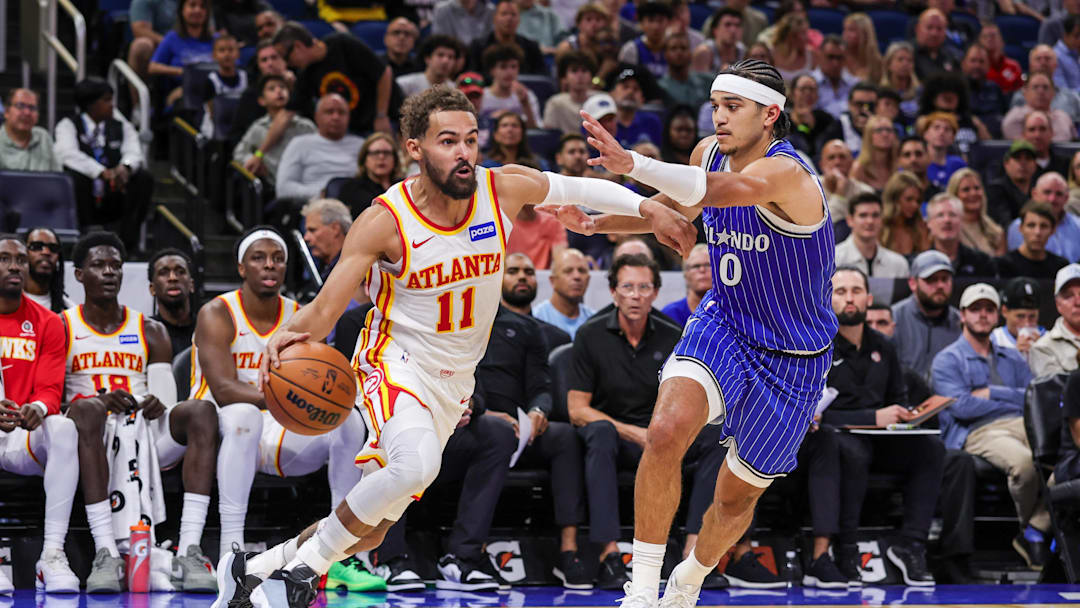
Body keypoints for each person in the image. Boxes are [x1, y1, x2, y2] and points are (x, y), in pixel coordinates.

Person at [212, 85, 692, 608]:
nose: (463, 152)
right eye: (447, 141)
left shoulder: (500, 189)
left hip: (456, 379)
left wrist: (649, 207)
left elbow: (580, 188)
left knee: (370, 527)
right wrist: (287, 334)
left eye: (470, 139)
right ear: (414, 147)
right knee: (416, 467)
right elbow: (325, 309)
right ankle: (297, 577)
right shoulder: (384, 221)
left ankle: (258, 567)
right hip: (394, 360)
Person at [549, 59, 838, 607]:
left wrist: (631, 161)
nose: (720, 118)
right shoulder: (706, 151)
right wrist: (598, 222)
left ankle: (691, 576)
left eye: (734, 107)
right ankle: (640, 589)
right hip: (725, 322)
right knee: (665, 431)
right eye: (716, 105)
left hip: (794, 356)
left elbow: (719, 190)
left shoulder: (788, 175)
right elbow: (673, 206)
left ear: (770, 114)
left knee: (733, 499)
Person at [191, 227, 372, 589]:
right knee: (243, 417)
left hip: (283, 430)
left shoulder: (301, 316)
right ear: (242, 267)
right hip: (226, 430)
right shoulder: (217, 312)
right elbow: (225, 390)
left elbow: (320, 384)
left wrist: (318, 402)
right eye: (259, 258)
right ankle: (232, 552)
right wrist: (286, 395)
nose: (269, 265)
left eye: (277, 259)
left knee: (349, 421)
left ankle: (342, 554)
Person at [62, 232, 220, 594]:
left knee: (200, 411)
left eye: (115, 266)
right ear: (79, 274)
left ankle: (190, 548)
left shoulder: (150, 329)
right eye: (98, 265)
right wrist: (100, 403)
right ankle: (105, 551)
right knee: (86, 412)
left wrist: (155, 401)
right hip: (88, 435)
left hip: (144, 437)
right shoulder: (63, 325)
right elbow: (54, 400)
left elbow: (164, 397)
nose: (109, 273)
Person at [568, 254, 717, 589]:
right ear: (613, 293)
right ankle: (609, 556)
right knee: (601, 434)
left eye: (644, 288)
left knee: (716, 438)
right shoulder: (590, 335)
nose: (635, 295)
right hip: (616, 437)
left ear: (655, 293)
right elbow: (577, 409)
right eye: (628, 287)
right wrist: (634, 432)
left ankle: (693, 561)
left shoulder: (674, 335)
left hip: (662, 436)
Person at [824, 266, 942, 587]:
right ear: (827, 298)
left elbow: (898, 400)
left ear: (869, 298)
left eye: (856, 291)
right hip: (833, 441)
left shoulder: (884, 346)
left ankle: (911, 546)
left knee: (931, 449)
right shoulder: (817, 346)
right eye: (841, 291)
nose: (850, 298)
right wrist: (871, 418)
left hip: (881, 441)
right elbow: (812, 415)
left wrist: (907, 417)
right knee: (852, 451)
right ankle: (846, 548)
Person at [931, 283, 1052, 570]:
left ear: (998, 315)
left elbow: (1032, 398)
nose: (983, 315)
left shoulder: (1012, 357)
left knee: (1068, 459)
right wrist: (1011, 397)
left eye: (988, 309)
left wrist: (991, 392)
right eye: (975, 309)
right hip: (977, 431)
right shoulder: (947, 359)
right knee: (1024, 464)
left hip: (1023, 425)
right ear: (962, 315)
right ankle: (1032, 533)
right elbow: (961, 407)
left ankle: (1036, 528)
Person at [475, 297, 590, 588]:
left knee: (564, 436)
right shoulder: (450, 325)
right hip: (474, 423)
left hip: (523, 429)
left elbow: (542, 385)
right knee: (491, 432)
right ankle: (472, 551)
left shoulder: (525, 328)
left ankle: (568, 551)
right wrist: (484, 413)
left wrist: (539, 410)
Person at [0, 235, 79, 594]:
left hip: (21, 435)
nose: (14, 266)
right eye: (4, 259)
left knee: (63, 427)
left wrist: (39, 407)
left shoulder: (48, 322)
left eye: (18, 260)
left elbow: (50, 388)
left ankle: (52, 555)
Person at [54, 78, 153, 250]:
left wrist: (125, 168)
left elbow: (134, 153)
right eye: (106, 100)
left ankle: (128, 244)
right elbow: (66, 154)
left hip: (114, 193)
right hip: (85, 196)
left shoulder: (122, 126)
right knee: (73, 177)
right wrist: (101, 172)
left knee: (143, 178)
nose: (112, 105)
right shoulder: (68, 125)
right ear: (91, 104)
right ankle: (78, 240)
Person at [271, 21, 395, 142]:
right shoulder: (306, 73)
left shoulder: (342, 43)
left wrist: (381, 115)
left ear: (298, 46)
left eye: (286, 57)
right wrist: (259, 154)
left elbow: (384, 73)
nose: (287, 64)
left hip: (376, 121)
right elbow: (286, 114)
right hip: (349, 131)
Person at [275, 94, 365, 201]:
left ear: (348, 117)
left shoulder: (362, 145)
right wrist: (324, 193)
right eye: (329, 112)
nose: (335, 117)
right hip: (313, 205)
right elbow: (283, 188)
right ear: (316, 116)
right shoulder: (299, 144)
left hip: (357, 205)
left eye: (341, 112)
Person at [892, 250, 962, 379]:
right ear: (912, 283)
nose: (940, 285)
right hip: (904, 396)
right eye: (931, 280)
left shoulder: (961, 323)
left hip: (949, 395)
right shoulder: (892, 319)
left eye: (945, 279)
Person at [233, 74, 316, 184]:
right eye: (272, 89)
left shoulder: (305, 125)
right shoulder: (258, 127)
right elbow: (239, 153)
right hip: (274, 185)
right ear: (262, 100)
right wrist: (253, 161)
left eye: (282, 87)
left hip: (308, 181)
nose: (279, 91)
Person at [148, 0, 214, 107]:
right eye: (192, 5)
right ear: (182, 11)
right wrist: (182, 71)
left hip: (216, 92)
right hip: (182, 91)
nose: (198, 10)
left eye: (202, 6)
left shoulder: (217, 40)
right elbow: (152, 67)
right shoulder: (172, 38)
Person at [1007, 172, 1080, 263]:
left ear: (1066, 198)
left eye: (1059, 194)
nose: (1052, 199)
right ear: (1034, 194)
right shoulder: (1017, 226)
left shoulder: (1078, 226)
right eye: (1047, 192)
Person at [835, 193, 910, 278]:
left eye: (875, 215)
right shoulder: (833, 261)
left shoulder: (898, 264)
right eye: (863, 215)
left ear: (882, 220)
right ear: (850, 220)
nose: (870, 221)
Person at [925, 193, 996, 278]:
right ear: (929, 223)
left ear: (962, 221)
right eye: (940, 215)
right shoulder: (921, 264)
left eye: (952, 214)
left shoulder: (983, 262)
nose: (947, 220)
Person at [467, 0, 545, 75]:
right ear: (494, 18)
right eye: (504, 14)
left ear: (519, 20)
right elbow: (472, 76)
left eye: (513, 14)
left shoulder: (531, 48)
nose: (509, 19)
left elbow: (542, 78)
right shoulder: (478, 46)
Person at [337, 133, 405, 217]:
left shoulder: (404, 186)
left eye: (386, 153)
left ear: (395, 159)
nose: (381, 157)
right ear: (364, 159)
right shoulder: (352, 188)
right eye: (375, 153)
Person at [996, 202, 1070, 279]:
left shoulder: (1061, 267)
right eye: (1031, 225)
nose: (1037, 232)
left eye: (1044, 226)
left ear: (1052, 230)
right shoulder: (1004, 264)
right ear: (1021, 228)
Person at [533, 248, 596, 337]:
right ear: (552, 281)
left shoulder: (594, 320)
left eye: (582, 271)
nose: (577, 276)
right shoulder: (536, 318)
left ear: (588, 279)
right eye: (568, 271)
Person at [1030, 264, 1080, 376]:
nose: (1078, 302)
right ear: (1058, 304)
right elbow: (1059, 392)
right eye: (1069, 296)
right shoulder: (1043, 348)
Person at [148, 247, 198, 356]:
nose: (173, 278)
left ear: (191, 285)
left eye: (180, 272)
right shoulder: (145, 332)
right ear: (152, 289)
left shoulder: (207, 328)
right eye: (163, 273)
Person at [480, 44, 542, 129]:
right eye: (503, 67)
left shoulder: (527, 96)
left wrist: (525, 104)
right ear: (492, 70)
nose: (509, 72)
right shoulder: (481, 96)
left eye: (514, 66)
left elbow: (535, 132)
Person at [198, 34, 248, 139]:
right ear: (214, 55)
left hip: (240, 122)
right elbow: (211, 110)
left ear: (238, 54)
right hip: (216, 125)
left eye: (231, 50)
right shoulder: (211, 80)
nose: (227, 54)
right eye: (222, 50)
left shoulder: (245, 76)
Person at [1002, 74, 1076, 142]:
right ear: (1025, 92)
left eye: (1045, 87)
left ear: (1053, 93)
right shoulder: (1014, 117)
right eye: (1035, 87)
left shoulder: (1063, 117)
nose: (1041, 91)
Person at [0, 89, 61, 172]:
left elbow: (57, 178)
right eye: (20, 106)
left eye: (32, 108)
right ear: (6, 112)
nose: (27, 112)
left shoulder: (43, 137)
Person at [947, 168, 1004, 257]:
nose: (973, 193)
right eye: (966, 189)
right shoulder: (947, 230)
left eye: (977, 188)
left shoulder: (996, 232)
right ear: (954, 195)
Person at [985, 139, 1038, 230]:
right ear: (1006, 163)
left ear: (1035, 165)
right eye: (1017, 158)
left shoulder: (1039, 189)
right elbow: (1005, 225)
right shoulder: (996, 190)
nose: (1023, 163)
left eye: (1028, 158)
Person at [127, 0, 180, 87]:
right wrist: (170, 45)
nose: (197, 9)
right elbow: (140, 30)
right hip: (161, 46)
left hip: (192, 44)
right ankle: (141, 99)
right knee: (141, 45)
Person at [819, 140, 873, 224]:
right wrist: (840, 192)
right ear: (822, 165)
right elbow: (824, 226)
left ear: (851, 163)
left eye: (842, 157)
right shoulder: (812, 188)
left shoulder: (865, 192)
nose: (837, 162)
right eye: (831, 158)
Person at [544, 52, 598, 135]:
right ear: (564, 78)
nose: (580, 76)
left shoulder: (600, 99)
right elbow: (550, 136)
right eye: (574, 71)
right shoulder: (555, 103)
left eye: (584, 71)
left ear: (591, 76)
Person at [609, 67, 663, 149]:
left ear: (642, 99)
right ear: (612, 93)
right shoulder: (602, 121)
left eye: (636, 89)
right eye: (625, 87)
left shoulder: (652, 122)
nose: (630, 92)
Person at [819, 83, 876, 159]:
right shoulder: (837, 127)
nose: (864, 110)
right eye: (859, 104)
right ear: (849, 104)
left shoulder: (885, 128)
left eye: (870, 105)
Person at [881, 171, 931, 256]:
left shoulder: (920, 227)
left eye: (918, 201)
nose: (915, 205)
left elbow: (925, 261)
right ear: (894, 199)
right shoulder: (880, 227)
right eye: (909, 199)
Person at [617, 1, 671, 79]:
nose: (656, 26)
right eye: (651, 20)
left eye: (660, 21)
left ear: (668, 23)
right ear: (641, 23)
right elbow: (624, 80)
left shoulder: (675, 47)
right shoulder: (630, 50)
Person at [961, 43, 1007, 136]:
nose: (977, 65)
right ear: (964, 64)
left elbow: (1005, 116)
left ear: (988, 65)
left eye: (981, 61)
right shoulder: (956, 90)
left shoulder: (995, 88)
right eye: (973, 61)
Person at [21, 228, 71, 313]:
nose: (46, 252)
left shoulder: (68, 311)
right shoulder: (7, 304)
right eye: (37, 246)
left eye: (53, 248)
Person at [659, 32, 713, 110]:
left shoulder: (707, 81)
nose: (679, 52)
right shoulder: (661, 87)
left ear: (690, 53)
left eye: (683, 48)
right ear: (665, 54)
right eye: (673, 48)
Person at [991, 277, 1044, 355]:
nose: (1027, 323)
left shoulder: (1050, 339)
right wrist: (1016, 355)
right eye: (1020, 316)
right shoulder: (993, 340)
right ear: (1004, 311)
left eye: (1032, 316)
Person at [397, 35, 462, 98]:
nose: (445, 61)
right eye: (440, 55)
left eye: (450, 57)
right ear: (427, 58)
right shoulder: (404, 84)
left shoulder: (455, 90)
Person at [302, 198, 351, 281]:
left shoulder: (354, 269)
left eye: (312, 230)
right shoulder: (327, 269)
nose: (306, 238)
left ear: (335, 229)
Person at [662, 244, 710, 326]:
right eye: (696, 266)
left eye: (708, 265)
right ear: (685, 273)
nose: (702, 270)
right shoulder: (670, 314)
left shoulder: (729, 312)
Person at [918, 112, 966, 191]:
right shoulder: (916, 162)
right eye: (936, 127)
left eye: (947, 129)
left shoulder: (959, 164)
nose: (941, 132)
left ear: (953, 138)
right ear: (925, 134)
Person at [850, 115, 899, 192]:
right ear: (869, 136)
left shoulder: (898, 166)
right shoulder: (859, 168)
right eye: (879, 130)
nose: (885, 134)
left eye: (889, 130)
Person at [813, 35, 857, 117]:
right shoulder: (808, 84)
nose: (835, 63)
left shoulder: (855, 85)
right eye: (830, 57)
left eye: (840, 58)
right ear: (819, 55)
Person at [692, 8, 744, 75]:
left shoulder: (743, 51)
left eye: (737, 25)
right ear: (715, 30)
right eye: (727, 25)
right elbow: (700, 84)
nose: (733, 30)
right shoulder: (703, 52)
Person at [913, 8, 962, 79]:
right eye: (929, 28)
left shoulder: (954, 57)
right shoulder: (907, 55)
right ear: (917, 29)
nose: (934, 33)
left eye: (939, 28)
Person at [1022, 111, 1072, 180]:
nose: (1037, 135)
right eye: (1032, 130)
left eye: (1042, 129)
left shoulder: (1067, 165)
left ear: (1052, 133)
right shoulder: (1017, 167)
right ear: (1024, 135)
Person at [880, 42, 921, 120]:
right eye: (900, 59)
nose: (905, 64)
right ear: (889, 64)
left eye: (910, 60)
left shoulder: (920, 92)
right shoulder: (881, 92)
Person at [979, 22, 1023, 95]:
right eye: (985, 37)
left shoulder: (1013, 67)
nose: (989, 39)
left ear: (1002, 41)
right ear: (979, 41)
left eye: (993, 36)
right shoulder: (976, 66)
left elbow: (1020, 94)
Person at [1054, 14, 1080, 91]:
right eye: (1076, 36)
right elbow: (1062, 93)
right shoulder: (1055, 56)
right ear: (1065, 35)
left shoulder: (1077, 52)